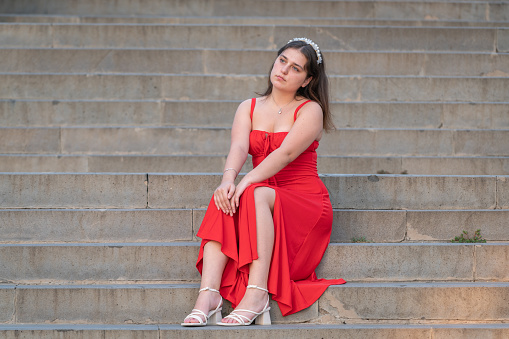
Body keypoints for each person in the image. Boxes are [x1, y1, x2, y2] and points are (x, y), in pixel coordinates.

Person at [181, 38, 346, 327]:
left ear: (307, 79)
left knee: (251, 192)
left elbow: (286, 154)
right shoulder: (249, 106)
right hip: (261, 194)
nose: (284, 70)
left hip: (303, 200)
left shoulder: (310, 110)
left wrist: (245, 183)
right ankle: (208, 296)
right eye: (282, 60)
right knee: (225, 193)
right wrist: (230, 180)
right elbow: (238, 148)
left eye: (295, 68)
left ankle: (257, 295)